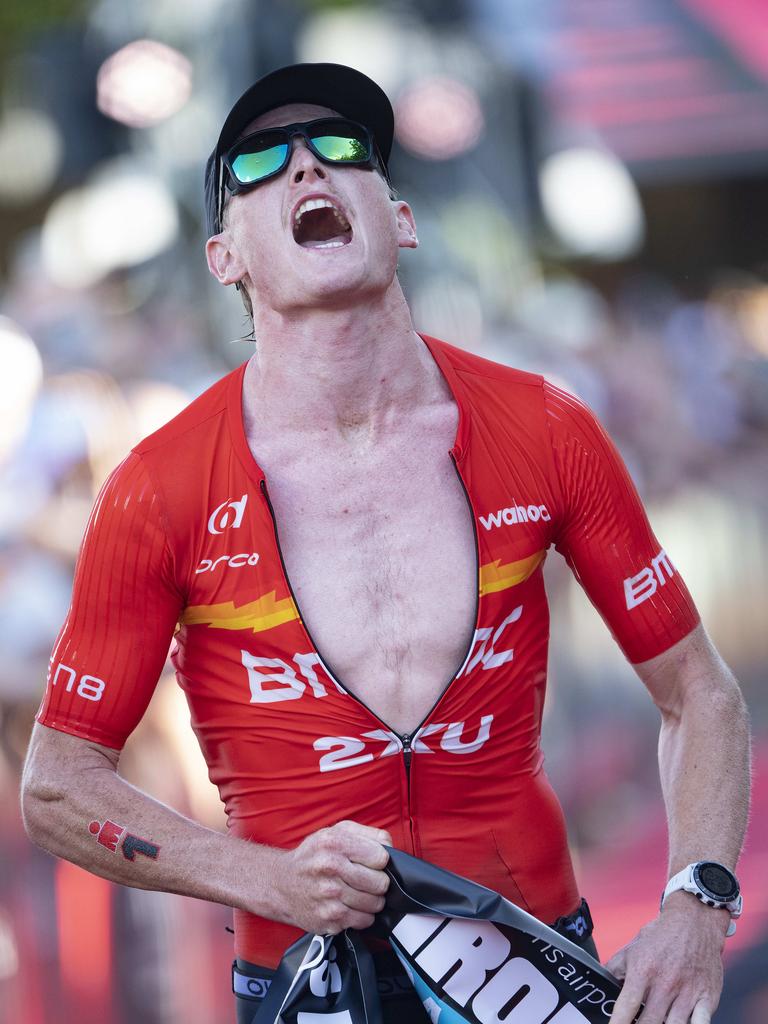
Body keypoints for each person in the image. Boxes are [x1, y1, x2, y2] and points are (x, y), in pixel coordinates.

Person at [21, 62, 750, 1024]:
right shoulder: (157, 488)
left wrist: (697, 906)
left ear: (399, 220)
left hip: (530, 971)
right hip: (306, 984)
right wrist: (267, 880)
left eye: (341, 148)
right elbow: (58, 786)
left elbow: (698, 689)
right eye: (260, 164)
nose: (307, 172)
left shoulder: (545, 429)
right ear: (224, 256)